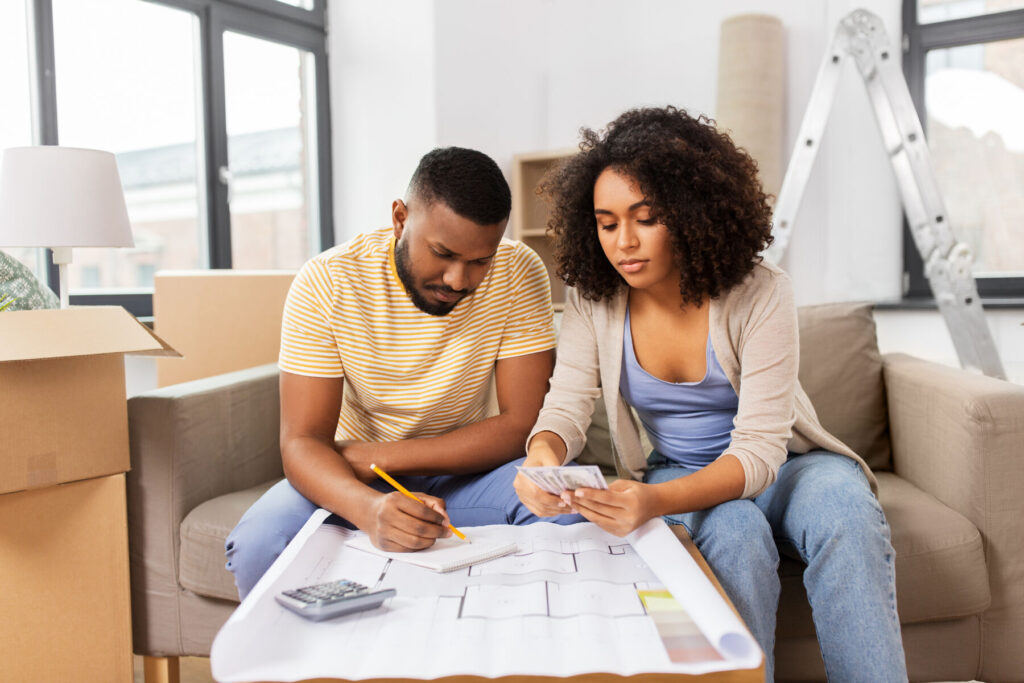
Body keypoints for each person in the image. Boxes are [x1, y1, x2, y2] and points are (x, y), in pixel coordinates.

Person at [513, 107, 907, 682]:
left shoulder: (761, 292)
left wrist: (648, 503)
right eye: (606, 222)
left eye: (645, 218)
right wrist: (541, 459)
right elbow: (565, 407)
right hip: (680, 468)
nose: (624, 242)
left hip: (792, 466)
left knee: (846, 512)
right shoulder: (593, 299)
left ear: (691, 214)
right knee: (735, 533)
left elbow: (758, 454)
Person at [226, 146, 580, 600]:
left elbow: (521, 424)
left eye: (479, 261)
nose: (458, 280)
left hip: (463, 474)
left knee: (565, 510)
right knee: (260, 544)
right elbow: (301, 442)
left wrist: (382, 456)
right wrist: (369, 507)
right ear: (399, 218)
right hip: (351, 477)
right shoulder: (327, 281)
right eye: (442, 253)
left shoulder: (518, 271)